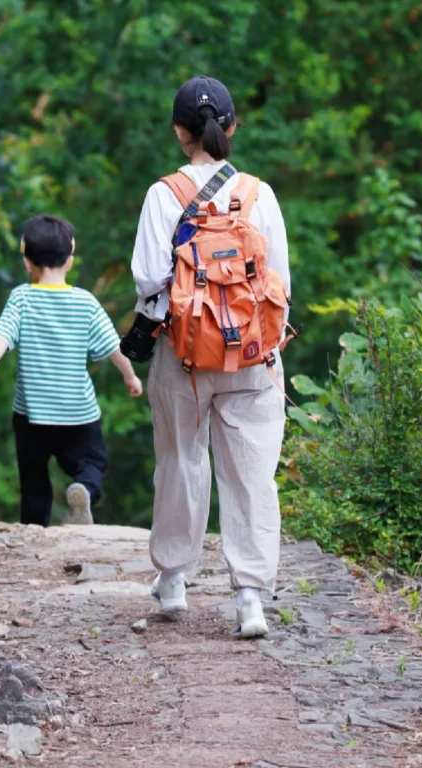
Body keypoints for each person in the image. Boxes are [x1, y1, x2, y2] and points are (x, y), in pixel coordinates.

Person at [130, 75, 291, 639]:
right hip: (251, 353)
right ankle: (249, 597)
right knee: (250, 473)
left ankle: (173, 581)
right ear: (232, 127)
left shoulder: (162, 195)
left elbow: (150, 279)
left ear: (179, 131)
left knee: (180, 460)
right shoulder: (259, 193)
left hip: (184, 353)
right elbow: (281, 282)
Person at [0, 213, 142, 527]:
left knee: (34, 479)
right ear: (70, 260)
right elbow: (114, 345)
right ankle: (85, 491)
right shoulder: (86, 302)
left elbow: (2, 334)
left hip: (31, 414)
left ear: (27, 262)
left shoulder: (22, 298)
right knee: (92, 462)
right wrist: (130, 376)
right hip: (76, 412)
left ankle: (33, 530)